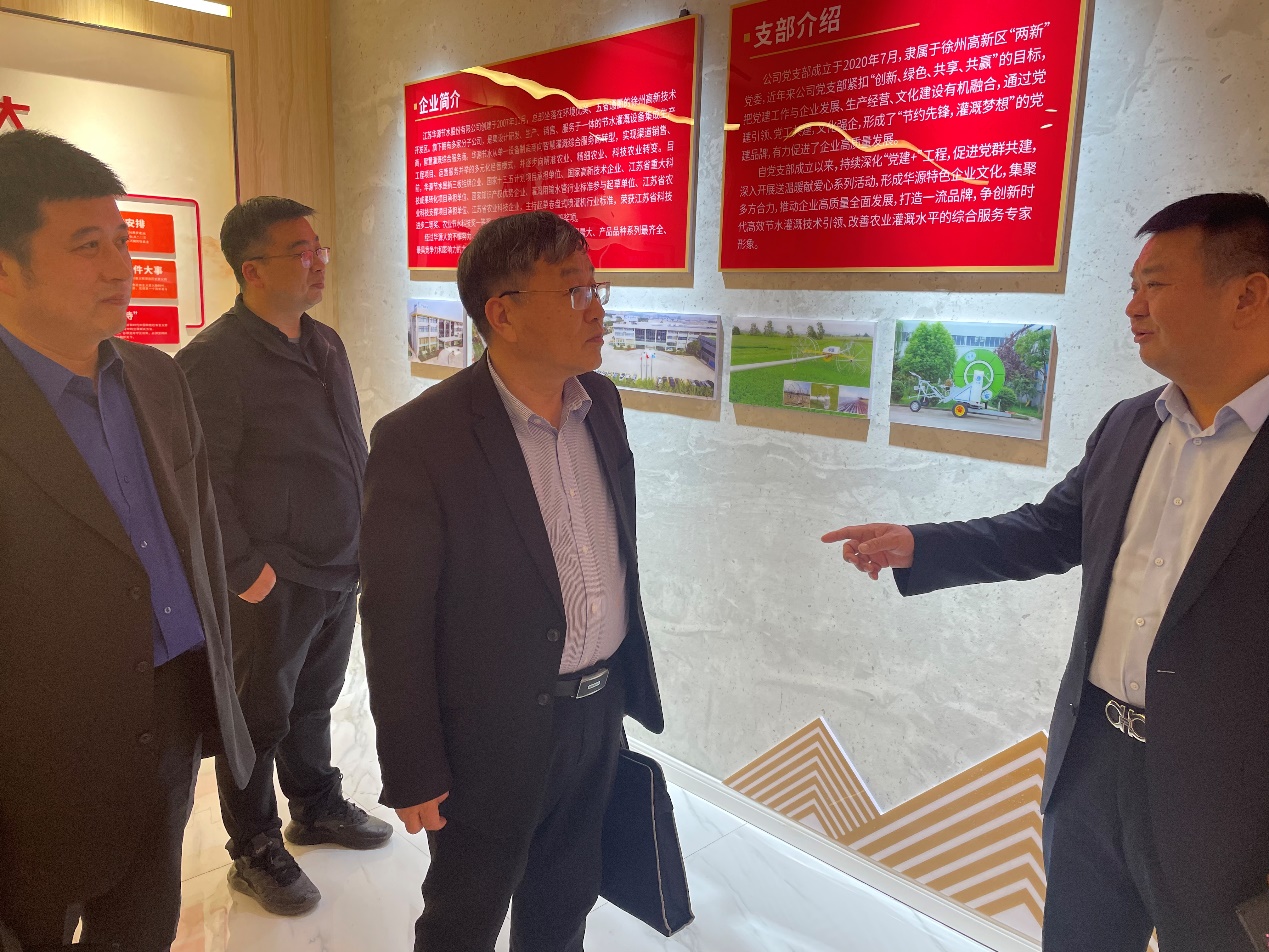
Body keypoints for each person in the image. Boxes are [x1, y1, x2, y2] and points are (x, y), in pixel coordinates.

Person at [823, 192, 1269, 951]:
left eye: (1155, 284)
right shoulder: (1130, 424)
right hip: (1092, 762)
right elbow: (1050, 531)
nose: (1132, 307)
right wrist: (918, 544)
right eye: (1131, 286)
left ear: (1247, 296)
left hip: (1229, 802)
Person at [360, 210, 665, 952]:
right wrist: (412, 763)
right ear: (503, 314)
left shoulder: (602, 404)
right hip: (487, 732)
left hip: (597, 713)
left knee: (565, 901)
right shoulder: (420, 439)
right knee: (464, 914)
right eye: (573, 290)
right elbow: (395, 616)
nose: (596, 309)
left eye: (596, 288)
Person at [0, 129, 253, 950]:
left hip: (169, 708)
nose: (121, 266)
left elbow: (197, 538)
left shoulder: (155, 374)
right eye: (87, 247)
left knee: (144, 921)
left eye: (122, 240)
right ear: (5, 269)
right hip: (35, 750)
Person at [175, 197, 389, 917]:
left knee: (314, 700)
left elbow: (348, 444)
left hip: (337, 564)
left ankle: (315, 806)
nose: (319, 261)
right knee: (256, 718)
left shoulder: (323, 342)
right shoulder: (214, 359)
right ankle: (255, 848)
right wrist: (245, 570)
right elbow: (202, 478)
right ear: (253, 270)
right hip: (272, 577)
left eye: (318, 246)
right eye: (301, 251)